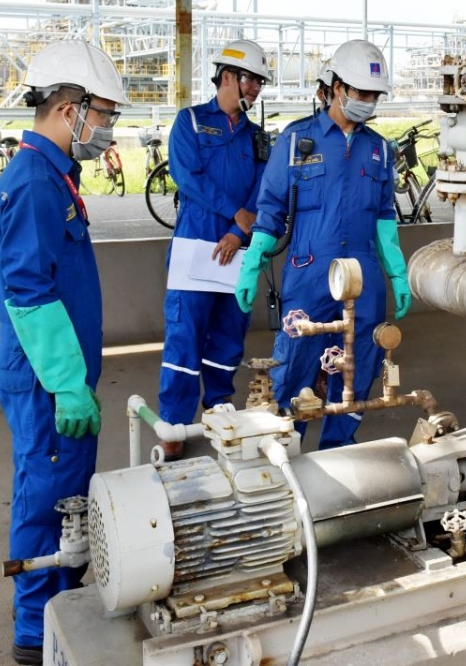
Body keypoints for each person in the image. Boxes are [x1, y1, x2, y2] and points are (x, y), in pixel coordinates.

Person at [0, 40, 127, 665]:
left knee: (66, 495)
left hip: (60, 374)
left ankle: (60, 610)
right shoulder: (33, 183)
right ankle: (33, 630)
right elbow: (28, 293)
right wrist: (68, 384)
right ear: (70, 110)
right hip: (49, 381)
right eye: (105, 114)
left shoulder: (54, 175)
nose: (108, 129)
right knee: (46, 500)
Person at [235, 39, 412, 450]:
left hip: (364, 280)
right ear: (336, 88)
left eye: (374, 96)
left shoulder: (379, 150)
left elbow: (384, 217)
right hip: (309, 275)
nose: (368, 102)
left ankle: (337, 451)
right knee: (294, 365)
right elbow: (270, 209)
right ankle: (285, 451)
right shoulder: (296, 141)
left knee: (357, 369)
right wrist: (252, 263)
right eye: (361, 93)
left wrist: (397, 274)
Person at [158, 40, 272, 456]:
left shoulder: (257, 136)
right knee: (185, 333)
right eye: (251, 80)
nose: (256, 88)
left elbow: (263, 189)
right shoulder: (190, 121)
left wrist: (238, 232)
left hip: (237, 247)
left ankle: (219, 407)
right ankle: (174, 423)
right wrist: (234, 214)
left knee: (228, 333)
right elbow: (188, 177)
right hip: (195, 244)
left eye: (259, 82)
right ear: (227, 77)